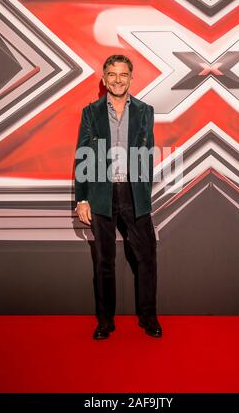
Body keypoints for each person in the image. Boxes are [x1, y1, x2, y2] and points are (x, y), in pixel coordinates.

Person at [75, 54, 162, 340]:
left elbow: (147, 154)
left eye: (123, 74)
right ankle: (105, 321)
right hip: (101, 192)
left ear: (131, 78)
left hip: (133, 193)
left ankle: (149, 317)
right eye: (111, 74)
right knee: (104, 261)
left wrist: (145, 190)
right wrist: (82, 199)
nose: (117, 79)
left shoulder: (145, 111)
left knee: (146, 258)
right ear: (103, 78)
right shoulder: (91, 112)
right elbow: (83, 154)